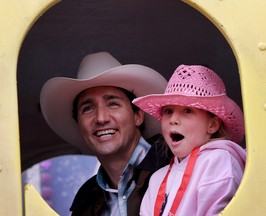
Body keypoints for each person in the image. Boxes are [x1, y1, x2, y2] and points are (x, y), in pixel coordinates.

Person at [40, 52, 171, 216]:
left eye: (113, 104)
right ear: (80, 126)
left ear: (138, 116)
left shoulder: (177, 168)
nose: (101, 118)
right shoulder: (85, 202)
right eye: (88, 109)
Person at [132, 64, 246, 216]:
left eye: (187, 110)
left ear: (212, 125)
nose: (173, 119)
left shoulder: (218, 160)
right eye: (168, 111)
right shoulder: (157, 178)